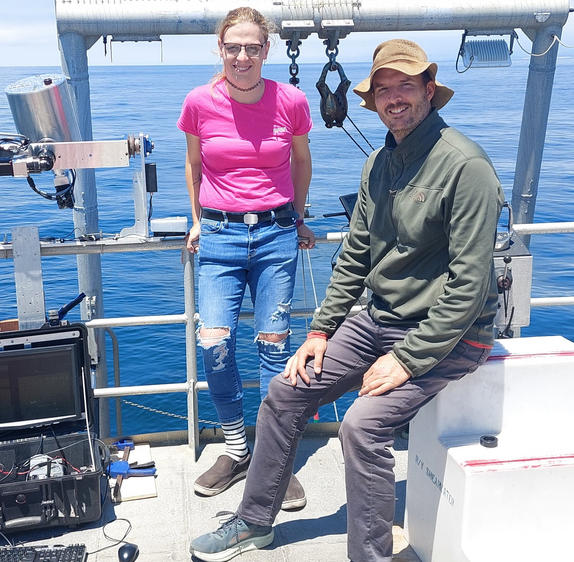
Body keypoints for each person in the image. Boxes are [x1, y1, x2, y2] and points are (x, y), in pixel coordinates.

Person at [189, 39, 505, 562]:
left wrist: (407, 359)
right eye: (383, 90)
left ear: (430, 90)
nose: (394, 98)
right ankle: (253, 522)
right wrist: (320, 330)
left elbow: (468, 287)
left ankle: (370, 556)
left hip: (450, 335)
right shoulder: (379, 163)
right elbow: (356, 256)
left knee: (362, 425)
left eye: (406, 86)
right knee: (285, 391)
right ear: (373, 101)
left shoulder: (465, 165)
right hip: (380, 319)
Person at [177, 6, 314, 507]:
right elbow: (194, 165)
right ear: (220, 48)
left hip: (277, 234)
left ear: (266, 50)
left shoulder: (291, 100)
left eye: (252, 47)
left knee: (276, 349)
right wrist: (196, 219)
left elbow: (301, 161)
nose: (242, 56)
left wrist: (299, 217)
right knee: (214, 343)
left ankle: (273, 458)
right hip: (219, 235)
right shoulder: (199, 102)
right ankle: (237, 450)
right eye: (233, 46)